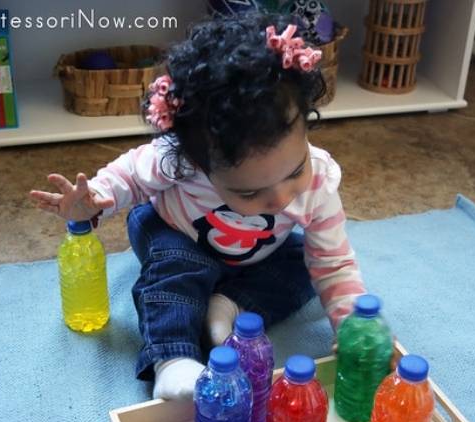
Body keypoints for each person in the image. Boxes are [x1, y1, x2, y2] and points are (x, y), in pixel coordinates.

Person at [30, 13, 366, 400]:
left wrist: (356, 326)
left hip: (258, 256)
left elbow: (335, 263)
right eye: (250, 193)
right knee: (178, 268)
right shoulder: (179, 159)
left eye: (295, 172)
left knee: (306, 264)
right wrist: (93, 202)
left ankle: (228, 307)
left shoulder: (320, 179)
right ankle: (173, 360)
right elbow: (129, 175)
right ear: (200, 164)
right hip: (177, 234)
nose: (280, 197)